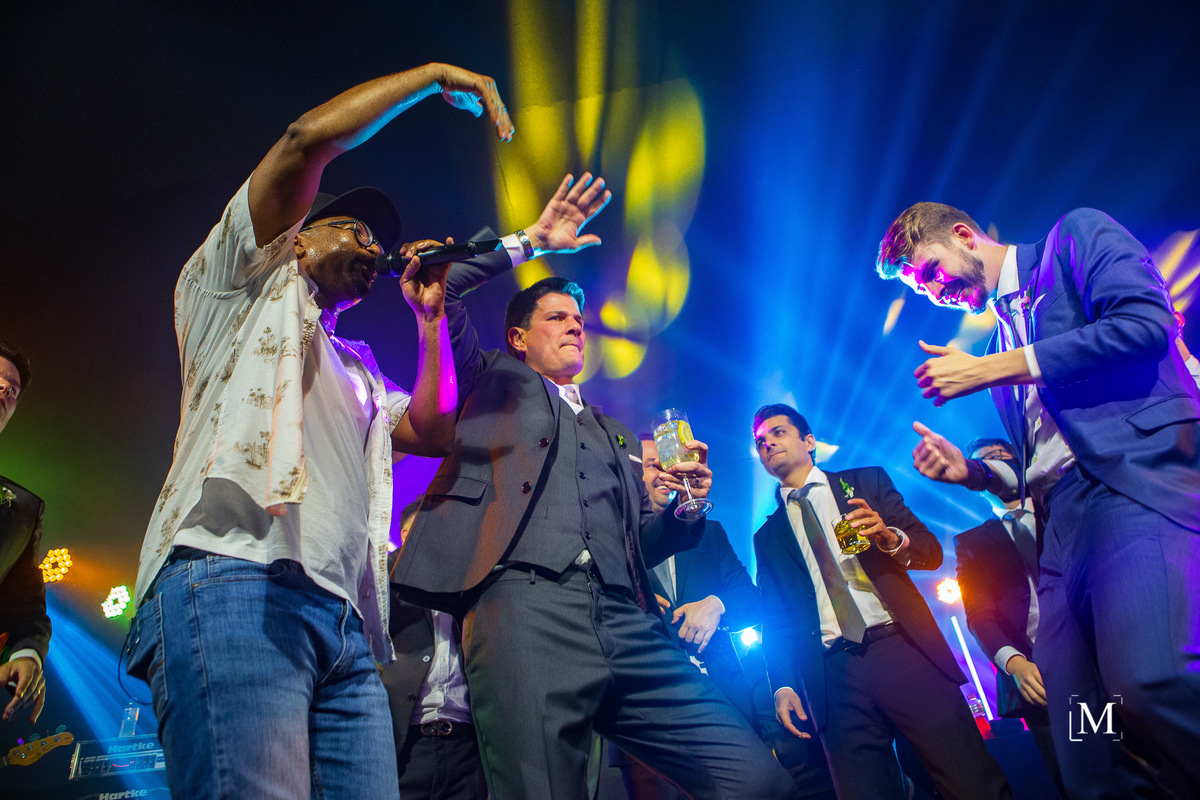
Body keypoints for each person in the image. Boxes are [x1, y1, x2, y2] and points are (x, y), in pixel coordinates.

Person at [123, 63, 518, 800]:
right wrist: (432, 78)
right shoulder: (238, 284)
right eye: (357, 230)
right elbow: (307, 140)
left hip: (343, 625)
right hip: (235, 580)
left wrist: (430, 323)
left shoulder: (360, 369)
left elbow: (432, 429)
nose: (375, 250)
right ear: (299, 237)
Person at [390, 216, 799, 800]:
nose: (575, 327)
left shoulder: (618, 435)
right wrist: (529, 241)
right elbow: (447, 286)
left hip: (625, 619)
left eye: (578, 320)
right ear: (518, 339)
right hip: (524, 612)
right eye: (557, 317)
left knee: (757, 780)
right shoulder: (489, 383)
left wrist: (687, 509)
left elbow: (638, 544)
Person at [877, 202, 1200, 798]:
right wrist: (972, 473)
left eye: (928, 271)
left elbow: (1146, 324)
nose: (932, 292)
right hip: (1061, 531)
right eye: (919, 288)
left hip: (1128, 490)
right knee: (1084, 733)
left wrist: (994, 369)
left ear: (965, 235)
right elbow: (1033, 471)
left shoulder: (1071, 240)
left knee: (1151, 680)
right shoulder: (1001, 332)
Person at [751, 403, 1012, 800]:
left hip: (901, 648)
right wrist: (783, 684)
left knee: (968, 778)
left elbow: (930, 551)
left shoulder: (865, 483)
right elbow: (776, 618)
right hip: (830, 674)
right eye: (760, 441)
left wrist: (891, 539)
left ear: (809, 442)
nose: (767, 443)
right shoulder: (766, 537)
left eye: (778, 432)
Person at [953, 437, 1065, 797]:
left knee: (1134, 758)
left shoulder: (1063, 505)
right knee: (1076, 776)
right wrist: (1015, 664)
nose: (994, 463)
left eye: (1001, 456)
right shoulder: (972, 542)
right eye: (982, 461)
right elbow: (979, 616)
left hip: (1103, 656)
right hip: (1037, 676)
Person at [381, 497, 486, 800]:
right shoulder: (387, 577)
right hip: (408, 744)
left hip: (466, 747)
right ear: (404, 536)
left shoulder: (469, 580)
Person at [0, 340, 49, 725]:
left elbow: (26, 605)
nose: (5, 389)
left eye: (12, 389)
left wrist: (26, 652)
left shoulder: (23, 509)